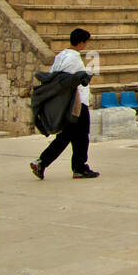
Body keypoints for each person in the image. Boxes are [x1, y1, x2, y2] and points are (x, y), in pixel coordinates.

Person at [32, 28, 99, 179]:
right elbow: (64, 80)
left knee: (70, 136)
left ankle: (45, 162)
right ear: (81, 42)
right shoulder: (73, 58)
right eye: (86, 42)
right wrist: (84, 77)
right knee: (79, 137)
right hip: (76, 104)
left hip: (71, 103)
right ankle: (77, 168)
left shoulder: (61, 55)